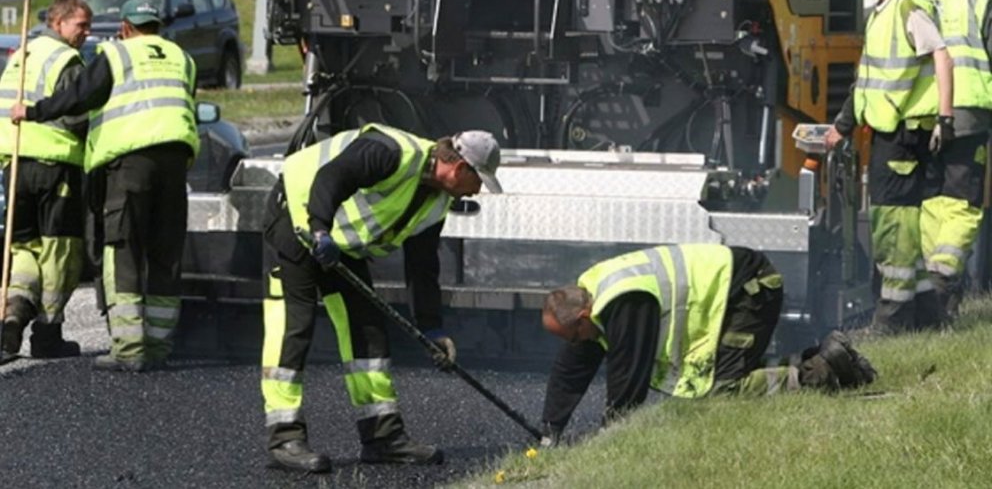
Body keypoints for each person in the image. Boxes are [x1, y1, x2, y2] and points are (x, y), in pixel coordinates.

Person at [260, 124, 502, 473]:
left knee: (367, 328)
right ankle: (284, 438)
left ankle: (382, 437)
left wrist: (431, 328)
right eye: (477, 181)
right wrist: (318, 229)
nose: (477, 191)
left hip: (338, 238)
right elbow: (332, 176)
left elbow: (422, 267)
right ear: (459, 168)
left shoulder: (436, 202)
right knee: (294, 327)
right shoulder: (391, 151)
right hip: (296, 218)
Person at [10, 0, 199, 372]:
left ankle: (129, 351)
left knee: (123, 248)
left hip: (128, 165)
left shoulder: (117, 55)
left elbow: (77, 96)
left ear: (126, 27)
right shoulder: (183, 58)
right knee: (165, 251)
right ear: (157, 25)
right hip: (175, 162)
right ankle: (159, 347)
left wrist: (32, 112)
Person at [538, 244, 877, 445]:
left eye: (574, 336)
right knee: (728, 371)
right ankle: (826, 354)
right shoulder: (591, 294)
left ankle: (820, 372)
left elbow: (628, 380)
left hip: (750, 290)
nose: (577, 344)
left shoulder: (623, 303)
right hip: (740, 287)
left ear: (583, 316)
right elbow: (573, 367)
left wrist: (611, 437)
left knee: (722, 388)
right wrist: (550, 430)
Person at [825, 0, 954, 334]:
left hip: (903, 136)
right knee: (898, 229)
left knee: (892, 227)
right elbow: (867, 82)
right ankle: (926, 316)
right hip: (885, 132)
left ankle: (891, 321)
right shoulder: (881, 11)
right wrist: (841, 126)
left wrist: (944, 118)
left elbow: (942, 55)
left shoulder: (907, 6)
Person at [0, 0, 91, 358]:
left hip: (16, 162)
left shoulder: (21, 55)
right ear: (58, 22)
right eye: (80, 25)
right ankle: (48, 332)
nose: (86, 32)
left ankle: (11, 321)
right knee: (60, 250)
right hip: (55, 166)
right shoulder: (67, 61)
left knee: (24, 248)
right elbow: (75, 115)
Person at [913, 0, 992, 320]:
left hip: (921, 116)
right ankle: (945, 278)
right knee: (962, 200)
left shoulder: (908, 0)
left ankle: (933, 276)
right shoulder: (976, 3)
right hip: (969, 116)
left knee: (930, 198)